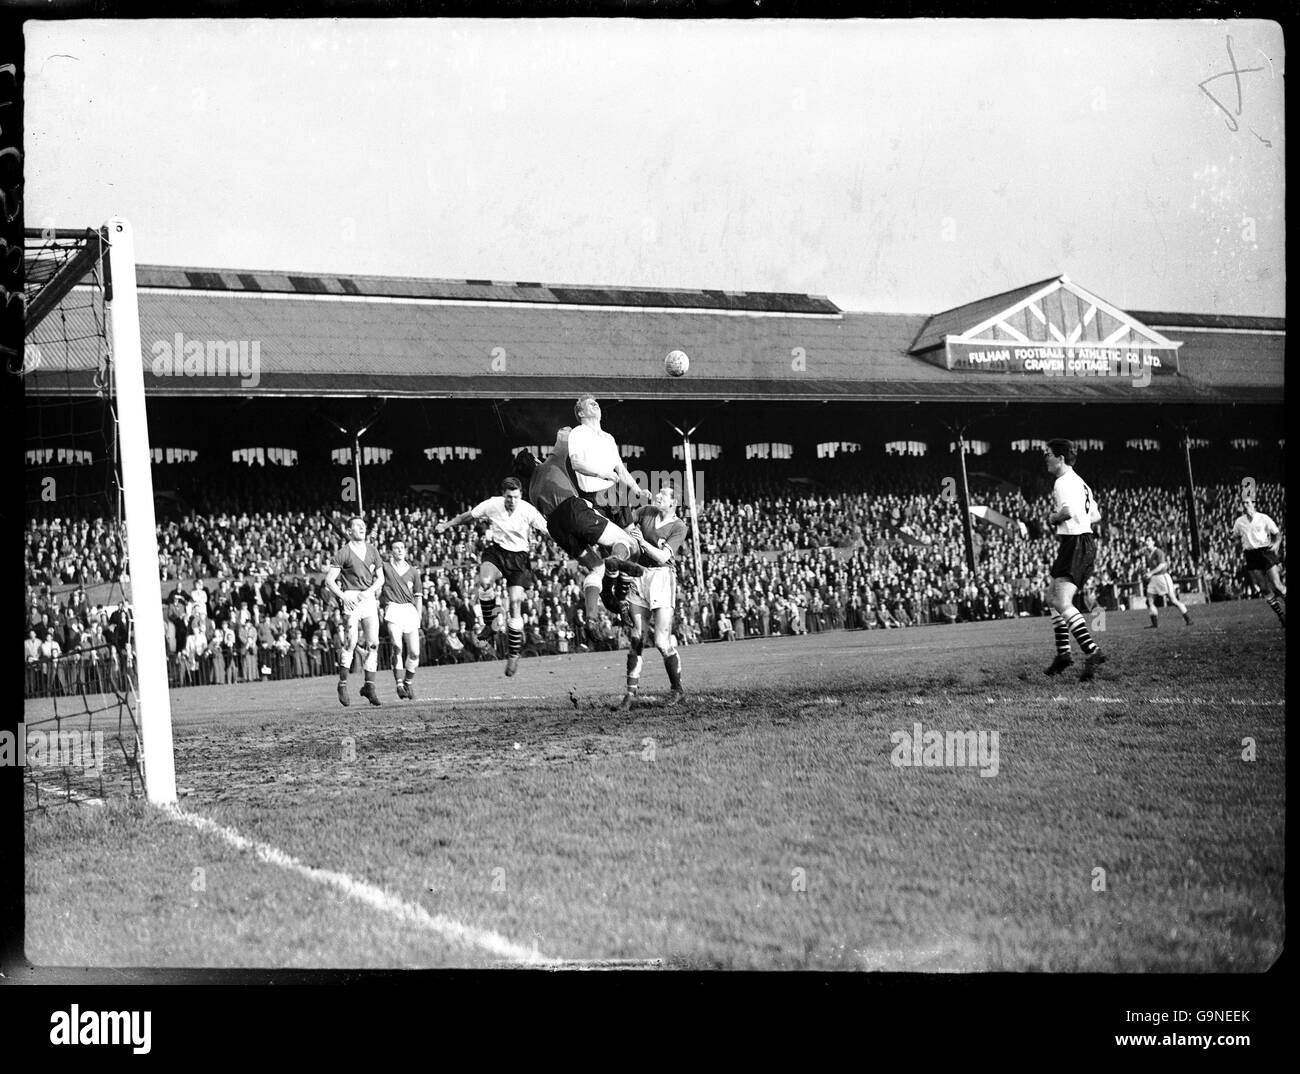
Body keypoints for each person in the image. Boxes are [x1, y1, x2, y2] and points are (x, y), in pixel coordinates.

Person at [515, 426, 644, 646]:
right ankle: (616, 565)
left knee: (596, 568)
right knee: (626, 542)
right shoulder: (550, 464)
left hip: (556, 528)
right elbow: (564, 437)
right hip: (573, 510)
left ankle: (592, 617)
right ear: (535, 461)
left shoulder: (531, 491)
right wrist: (570, 429)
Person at [437, 477, 548, 678]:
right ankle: (491, 623)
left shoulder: (528, 510)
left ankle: (513, 654)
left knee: (515, 603)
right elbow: (468, 516)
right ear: (503, 494)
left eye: (515, 497)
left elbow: (549, 530)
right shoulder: (492, 504)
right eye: (508, 497)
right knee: (485, 582)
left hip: (519, 559)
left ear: (520, 495)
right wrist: (447, 525)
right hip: (497, 553)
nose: (512, 501)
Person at [619, 485, 689, 709]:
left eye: (663, 495)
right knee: (636, 637)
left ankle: (677, 690)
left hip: (662, 578)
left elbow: (661, 557)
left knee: (661, 641)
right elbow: (627, 522)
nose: (658, 496)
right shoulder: (647, 510)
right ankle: (630, 694)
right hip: (640, 573)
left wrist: (641, 542)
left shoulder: (679, 526)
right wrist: (630, 499)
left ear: (673, 502)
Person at [1042, 439, 1107, 681]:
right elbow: (1096, 515)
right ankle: (1063, 654)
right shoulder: (1081, 483)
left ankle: (1092, 650)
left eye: (1048, 454)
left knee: (1061, 600)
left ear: (1060, 458)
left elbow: (1066, 512)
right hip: (1081, 541)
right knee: (1052, 598)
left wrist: (1053, 517)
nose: (1045, 458)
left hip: (1075, 543)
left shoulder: (1062, 482)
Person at [323, 515, 385, 706]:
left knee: (373, 643)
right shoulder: (344, 553)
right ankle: (342, 684)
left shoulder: (373, 550)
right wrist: (343, 597)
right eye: (357, 526)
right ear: (349, 531)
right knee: (351, 642)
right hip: (351, 597)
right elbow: (329, 580)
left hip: (368, 598)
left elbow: (380, 578)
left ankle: (369, 686)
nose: (362, 528)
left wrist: (369, 592)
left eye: (363, 526)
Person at [379, 537, 423, 699]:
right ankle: (398, 683)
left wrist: (418, 616)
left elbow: (418, 596)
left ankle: (408, 682)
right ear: (391, 551)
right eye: (396, 548)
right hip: (393, 609)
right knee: (397, 646)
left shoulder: (413, 571)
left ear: (405, 550)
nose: (399, 550)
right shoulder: (386, 567)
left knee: (415, 652)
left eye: (401, 547)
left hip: (409, 610)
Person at [1232, 495, 1286, 627]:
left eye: (1248, 503)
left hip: (1265, 552)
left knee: (1277, 585)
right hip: (1251, 555)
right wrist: (1231, 538)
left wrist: (1277, 544)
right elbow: (1234, 537)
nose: (1245, 506)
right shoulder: (1239, 521)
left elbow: (1277, 534)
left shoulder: (1263, 518)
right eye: (1243, 504)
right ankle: (1281, 616)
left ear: (1253, 504)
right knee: (1264, 588)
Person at [1142, 536, 1192, 628]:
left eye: (1148, 540)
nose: (1146, 542)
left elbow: (1162, 565)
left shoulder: (1158, 552)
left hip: (1162, 577)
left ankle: (1188, 619)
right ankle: (1154, 624)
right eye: (1146, 540)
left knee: (1173, 600)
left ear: (1153, 542)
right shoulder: (1149, 553)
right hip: (1154, 579)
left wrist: (1150, 573)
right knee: (1149, 600)